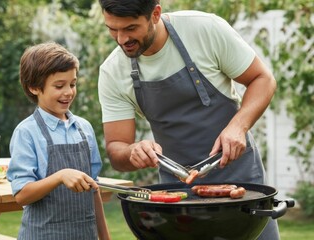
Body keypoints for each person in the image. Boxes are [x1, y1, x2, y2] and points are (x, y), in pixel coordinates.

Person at [97, 0, 279, 239]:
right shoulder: (113, 71)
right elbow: (116, 148)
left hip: (241, 184)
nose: (121, 39)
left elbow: (262, 79)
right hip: (177, 194)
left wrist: (238, 126)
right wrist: (132, 152)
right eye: (113, 29)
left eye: (131, 28)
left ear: (155, 14)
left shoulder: (204, 30)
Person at [7, 42, 110, 240]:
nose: (69, 92)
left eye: (72, 84)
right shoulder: (27, 132)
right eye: (59, 86)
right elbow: (22, 194)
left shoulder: (84, 129)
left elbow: (93, 190)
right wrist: (60, 176)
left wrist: (105, 238)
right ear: (34, 87)